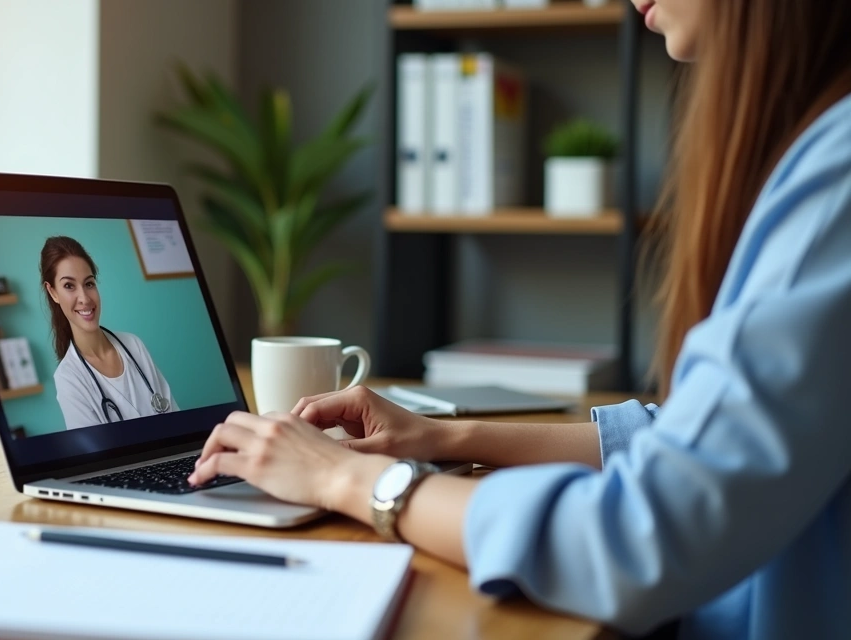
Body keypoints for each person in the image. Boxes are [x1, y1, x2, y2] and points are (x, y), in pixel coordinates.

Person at [187, 1, 851, 637]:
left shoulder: (836, 180)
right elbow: (694, 440)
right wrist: (442, 438)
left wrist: (348, 480)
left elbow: (644, 536)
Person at [41, 236, 179, 429]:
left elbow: (176, 419)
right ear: (53, 292)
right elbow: (97, 456)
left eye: (89, 283)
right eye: (69, 286)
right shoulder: (69, 379)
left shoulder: (133, 345)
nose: (84, 298)